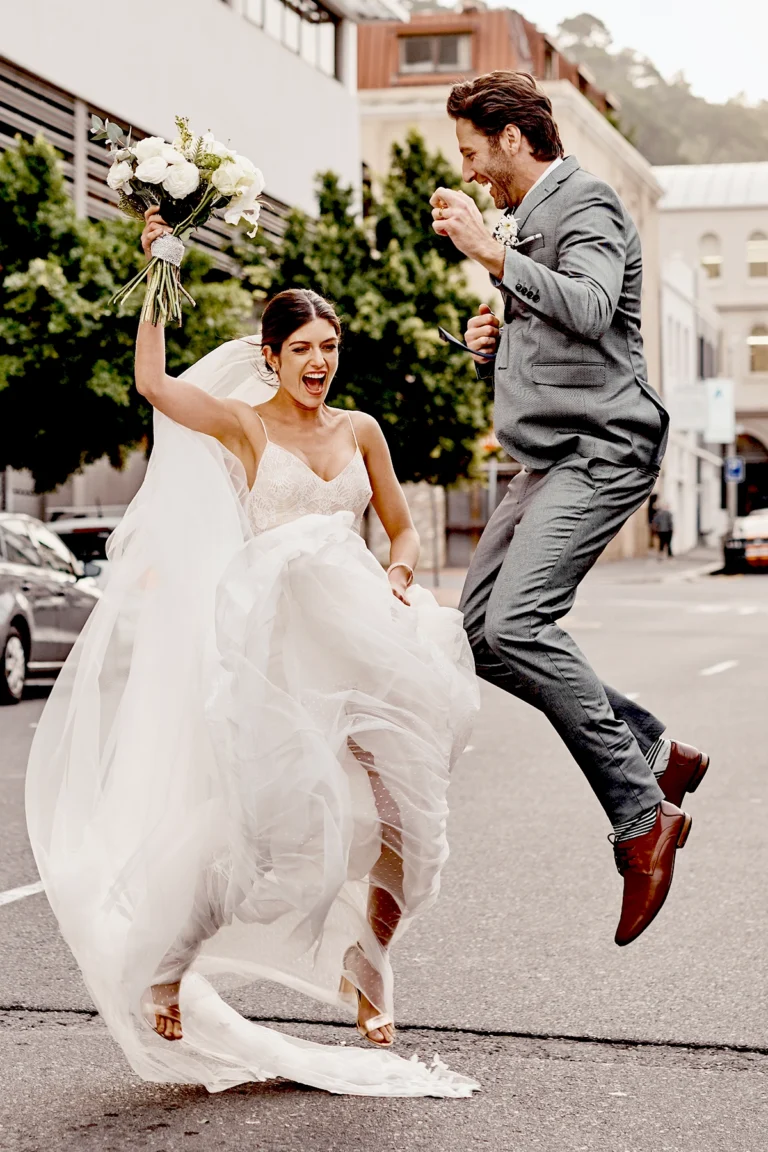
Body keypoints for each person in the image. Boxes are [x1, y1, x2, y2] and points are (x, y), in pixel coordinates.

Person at [24, 208, 480, 1098]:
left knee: (412, 829)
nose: (319, 362)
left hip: (364, 644)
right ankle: (172, 961)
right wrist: (160, 265)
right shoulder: (245, 426)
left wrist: (396, 569)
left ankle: (372, 961)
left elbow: (399, 529)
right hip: (276, 655)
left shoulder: (362, 431)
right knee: (270, 837)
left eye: (329, 346)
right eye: (302, 347)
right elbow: (153, 382)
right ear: (270, 355)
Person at [428, 71, 709, 947]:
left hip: (601, 448)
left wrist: (492, 255)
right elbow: (556, 334)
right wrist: (491, 341)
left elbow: (591, 306)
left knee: (519, 623)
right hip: (544, 457)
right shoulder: (533, 220)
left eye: (475, 154)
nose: (473, 174)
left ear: (514, 139)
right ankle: (657, 753)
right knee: (473, 636)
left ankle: (642, 815)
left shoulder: (586, 202)